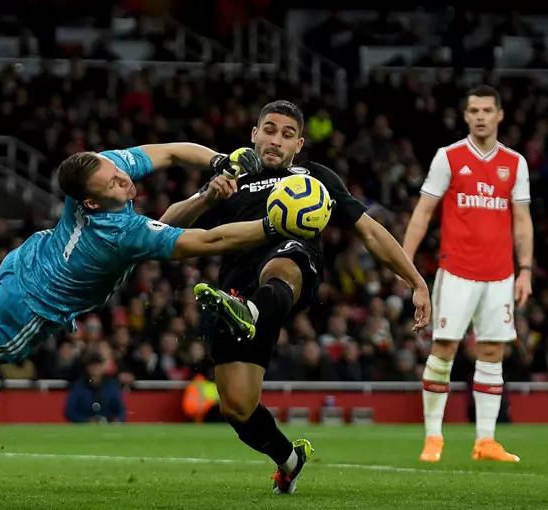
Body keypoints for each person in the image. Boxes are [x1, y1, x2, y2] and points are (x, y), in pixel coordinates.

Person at [0, 143, 270, 418]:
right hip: (29, 309)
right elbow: (211, 239)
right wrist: (274, 225)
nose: (125, 179)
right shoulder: (119, 233)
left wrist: (218, 164)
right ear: (90, 200)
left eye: (118, 172)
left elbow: (174, 154)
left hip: (27, 258)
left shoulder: (96, 169)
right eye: (114, 183)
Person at [160, 100, 431, 495]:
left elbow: (370, 231)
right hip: (235, 282)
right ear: (254, 134)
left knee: (286, 260)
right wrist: (206, 198)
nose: (276, 141)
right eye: (269, 130)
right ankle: (289, 459)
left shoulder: (314, 177)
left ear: (299, 144)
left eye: (287, 135)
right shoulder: (231, 174)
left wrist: (416, 281)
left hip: (291, 266)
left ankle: (250, 310)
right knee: (237, 408)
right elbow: (164, 226)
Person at [403, 85, 532, 463]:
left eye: (487, 110)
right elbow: (424, 211)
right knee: (444, 348)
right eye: (473, 110)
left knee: (493, 352)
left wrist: (524, 270)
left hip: (500, 275)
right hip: (457, 271)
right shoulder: (449, 157)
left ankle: (485, 441)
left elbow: (521, 221)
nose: (480, 116)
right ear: (465, 116)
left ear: (499, 115)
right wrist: (406, 262)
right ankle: (433, 437)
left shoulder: (515, 163)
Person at [64, 352, 125, 423]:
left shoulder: (111, 385)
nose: (95, 368)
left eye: (98, 365)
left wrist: (117, 420)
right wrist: (86, 421)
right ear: (87, 368)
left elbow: (120, 410)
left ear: (102, 366)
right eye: (92, 366)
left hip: (108, 427)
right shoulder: (78, 386)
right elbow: (70, 412)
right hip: (84, 428)